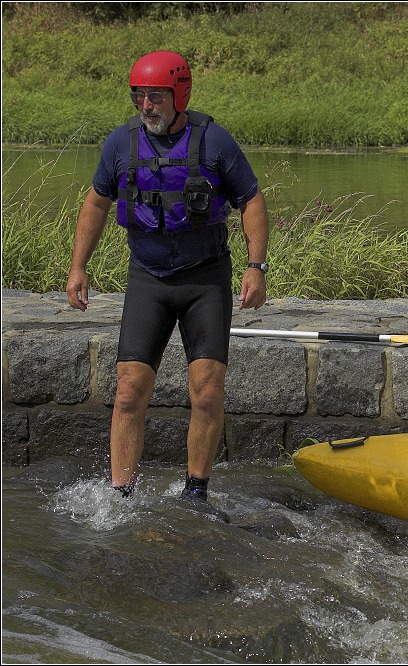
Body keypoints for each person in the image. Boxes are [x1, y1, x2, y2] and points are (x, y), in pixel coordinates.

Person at [65, 50, 269, 520]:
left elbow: (252, 201)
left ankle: (196, 492)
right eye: (139, 95)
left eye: (155, 96)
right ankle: (119, 497)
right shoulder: (121, 144)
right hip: (148, 280)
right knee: (129, 389)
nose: (146, 105)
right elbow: (96, 204)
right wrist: (79, 266)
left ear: (181, 94)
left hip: (205, 279)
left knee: (207, 389)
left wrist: (255, 265)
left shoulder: (214, 141)